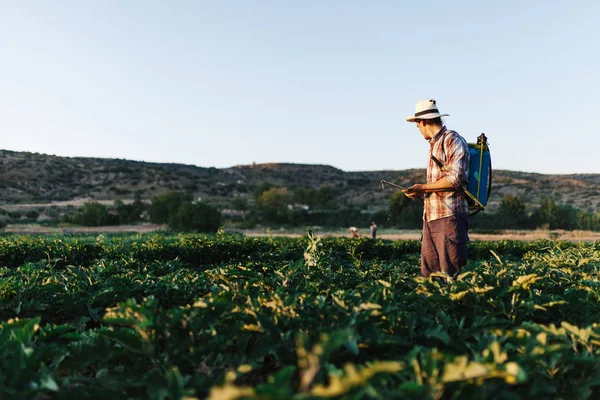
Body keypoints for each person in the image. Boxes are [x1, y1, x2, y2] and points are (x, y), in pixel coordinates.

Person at [403, 99, 470, 278]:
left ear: (422, 122)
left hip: (449, 218)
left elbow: (456, 179)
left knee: (451, 277)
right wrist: (420, 193)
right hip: (431, 219)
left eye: (417, 126)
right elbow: (439, 185)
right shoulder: (433, 145)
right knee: (430, 277)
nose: (418, 130)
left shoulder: (452, 139)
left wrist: (423, 188)